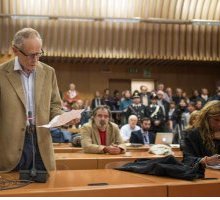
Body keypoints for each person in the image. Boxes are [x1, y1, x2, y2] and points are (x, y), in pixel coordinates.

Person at [0, 28, 66, 173]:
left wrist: (61, 118)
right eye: (30, 55)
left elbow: (55, 105)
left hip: (41, 145)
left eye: (39, 53)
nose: (35, 59)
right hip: (11, 148)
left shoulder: (49, 72)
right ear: (15, 50)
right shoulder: (2, 74)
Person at [181, 100, 220, 167]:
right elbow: (187, 159)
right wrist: (205, 160)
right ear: (206, 118)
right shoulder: (193, 134)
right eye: (216, 120)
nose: (219, 124)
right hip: (201, 174)